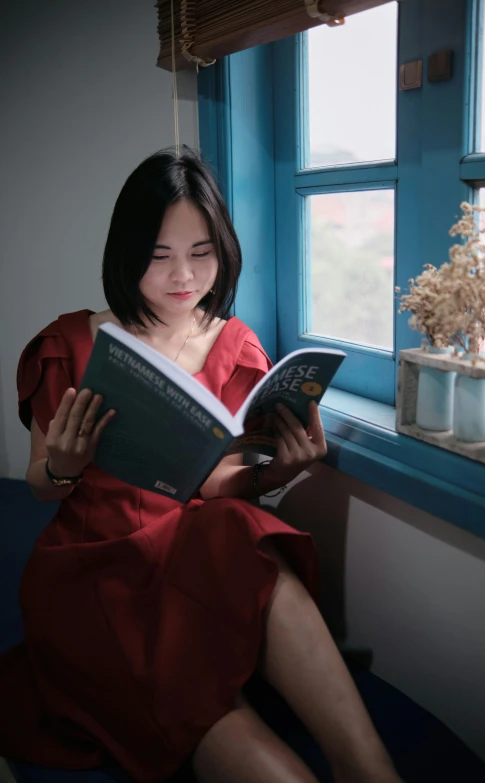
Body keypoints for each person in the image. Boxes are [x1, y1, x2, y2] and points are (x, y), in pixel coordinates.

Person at [0, 148, 401, 783]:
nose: (183, 275)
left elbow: (218, 486)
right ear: (125, 253)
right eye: (159, 255)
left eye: (202, 252)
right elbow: (39, 486)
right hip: (92, 571)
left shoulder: (239, 348)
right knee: (197, 692)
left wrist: (276, 473)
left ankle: (372, 770)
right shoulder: (70, 344)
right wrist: (65, 467)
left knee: (241, 531)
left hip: (191, 557)